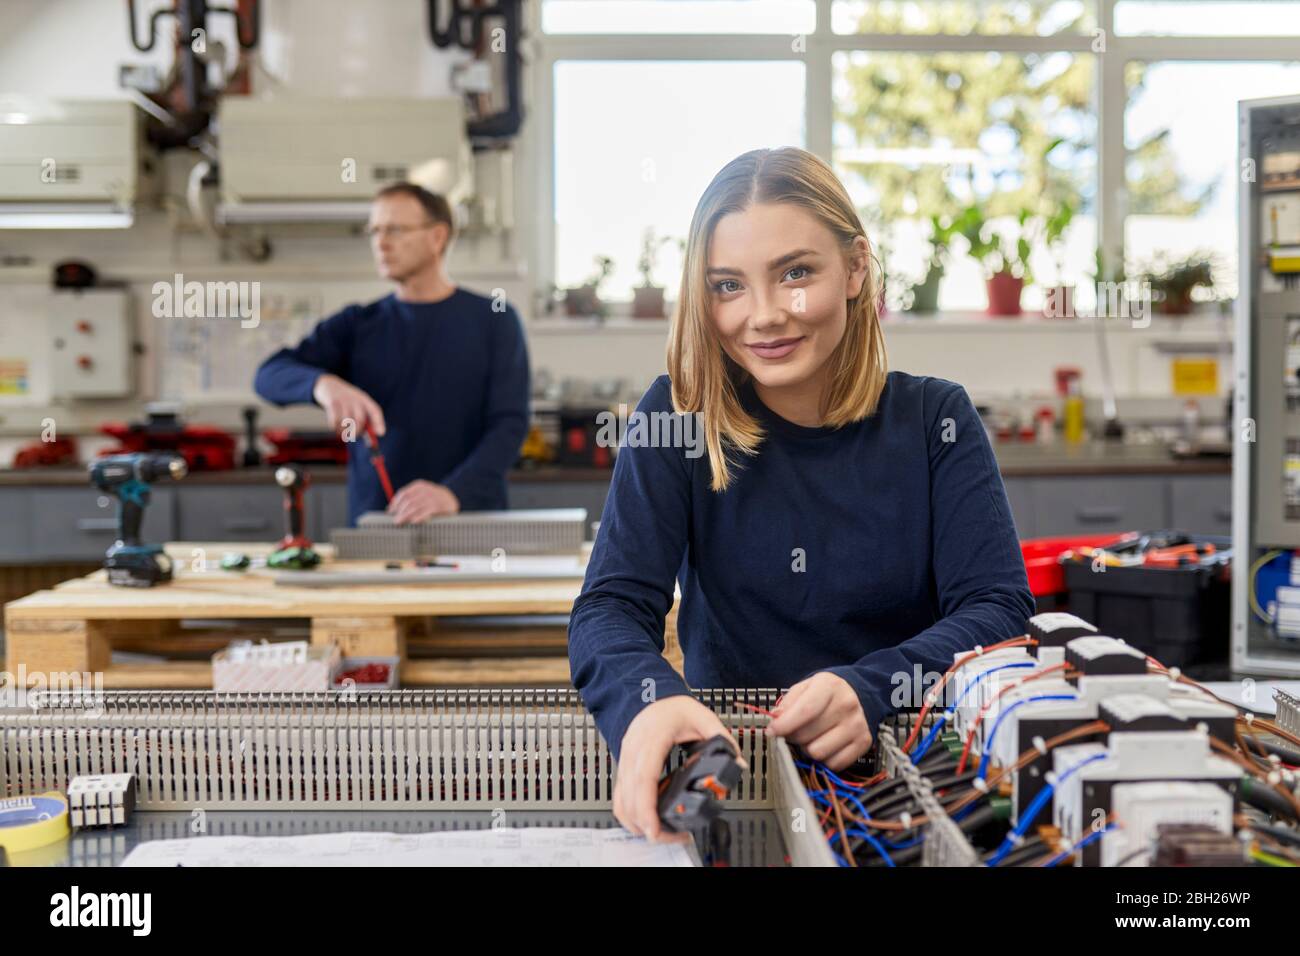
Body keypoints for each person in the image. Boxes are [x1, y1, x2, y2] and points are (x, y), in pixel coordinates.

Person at [567, 147, 1034, 842]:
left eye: (795, 273)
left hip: (920, 780)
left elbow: (999, 610)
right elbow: (610, 606)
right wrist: (648, 702)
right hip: (735, 783)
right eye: (728, 286)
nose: (763, 316)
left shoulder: (936, 418)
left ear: (855, 269)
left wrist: (873, 687)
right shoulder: (676, 418)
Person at [254, 182, 529, 525]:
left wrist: (452, 492)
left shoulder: (495, 319)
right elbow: (268, 375)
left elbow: (510, 425)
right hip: (379, 521)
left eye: (395, 230)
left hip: (469, 519)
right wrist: (323, 385)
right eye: (374, 231)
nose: (380, 243)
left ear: (437, 237)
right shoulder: (357, 323)